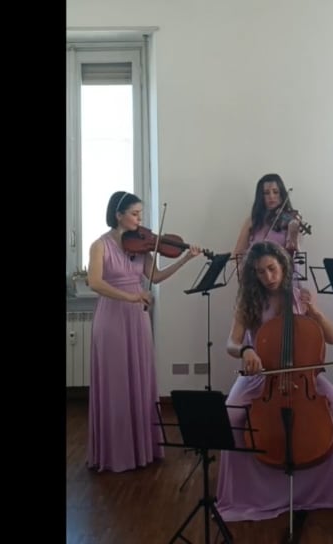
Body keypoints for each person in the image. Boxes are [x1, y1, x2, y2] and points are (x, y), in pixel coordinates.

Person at [215, 241, 333, 521]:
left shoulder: (299, 296)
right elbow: (231, 343)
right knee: (230, 416)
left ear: (283, 265)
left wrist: (315, 312)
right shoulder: (249, 301)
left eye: (272, 268)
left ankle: (330, 489)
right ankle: (243, 493)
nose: (268, 277)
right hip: (262, 377)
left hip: (303, 375)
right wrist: (246, 350)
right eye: (260, 272)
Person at [85, 190, 204, 473]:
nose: (140, 220)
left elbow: (156, 277)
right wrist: (131, 296)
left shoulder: (141, 246)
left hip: (137, 320)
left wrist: (185, 260)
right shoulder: (99, 246)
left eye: (140, 214)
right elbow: (95, 283)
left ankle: (142, 448)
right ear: (119, 215)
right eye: (135, 214)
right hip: (112, 319)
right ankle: (116, 453)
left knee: (139, 379)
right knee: (116, 383)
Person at [233, 173, 304, 281]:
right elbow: (237, 255)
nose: (271, 196)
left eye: (275, 192)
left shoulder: (290, 220)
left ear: (282, 194)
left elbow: (295, 255)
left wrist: (294, 233)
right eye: (266, 193)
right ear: (261, 197)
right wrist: (246, 275)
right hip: (258, 280)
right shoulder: (253, 221)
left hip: (283, 279)